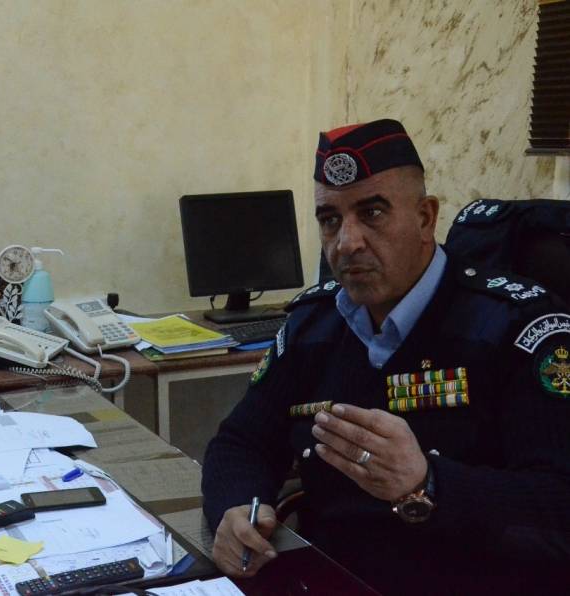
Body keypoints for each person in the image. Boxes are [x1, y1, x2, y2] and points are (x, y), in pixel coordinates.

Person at [201, 119, 570, 594]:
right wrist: (236, 507)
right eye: (330, 219)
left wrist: (428, 483)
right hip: (328, 579)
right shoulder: (313, 325)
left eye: (372, 212)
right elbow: (241, 440)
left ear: (425, 218)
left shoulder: (517, 329)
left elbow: (559, 506)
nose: (346, 242)